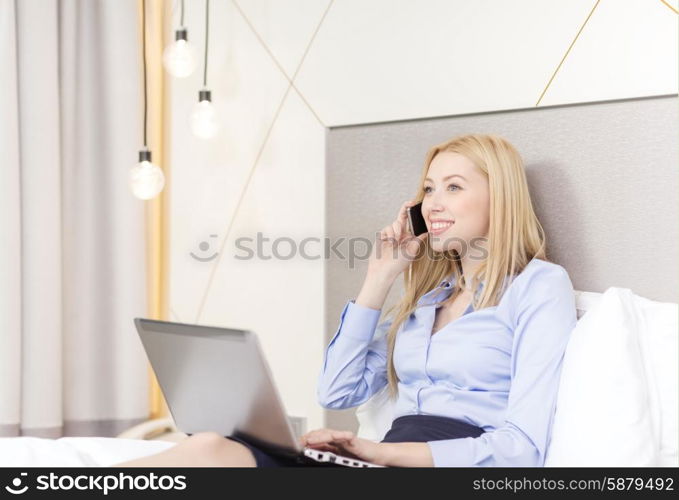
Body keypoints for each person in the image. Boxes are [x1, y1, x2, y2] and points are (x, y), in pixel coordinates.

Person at [114, 133, 576, 467]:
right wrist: (378, 278)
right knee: (209, 447)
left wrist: (382, 451)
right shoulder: (428, 300)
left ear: (502, 199)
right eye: (429, 189)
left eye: (454, 187)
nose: (433, 203)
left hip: (439, 465)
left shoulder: (539, 286)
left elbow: (521, 448)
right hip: (377, 462)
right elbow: (336, 392)